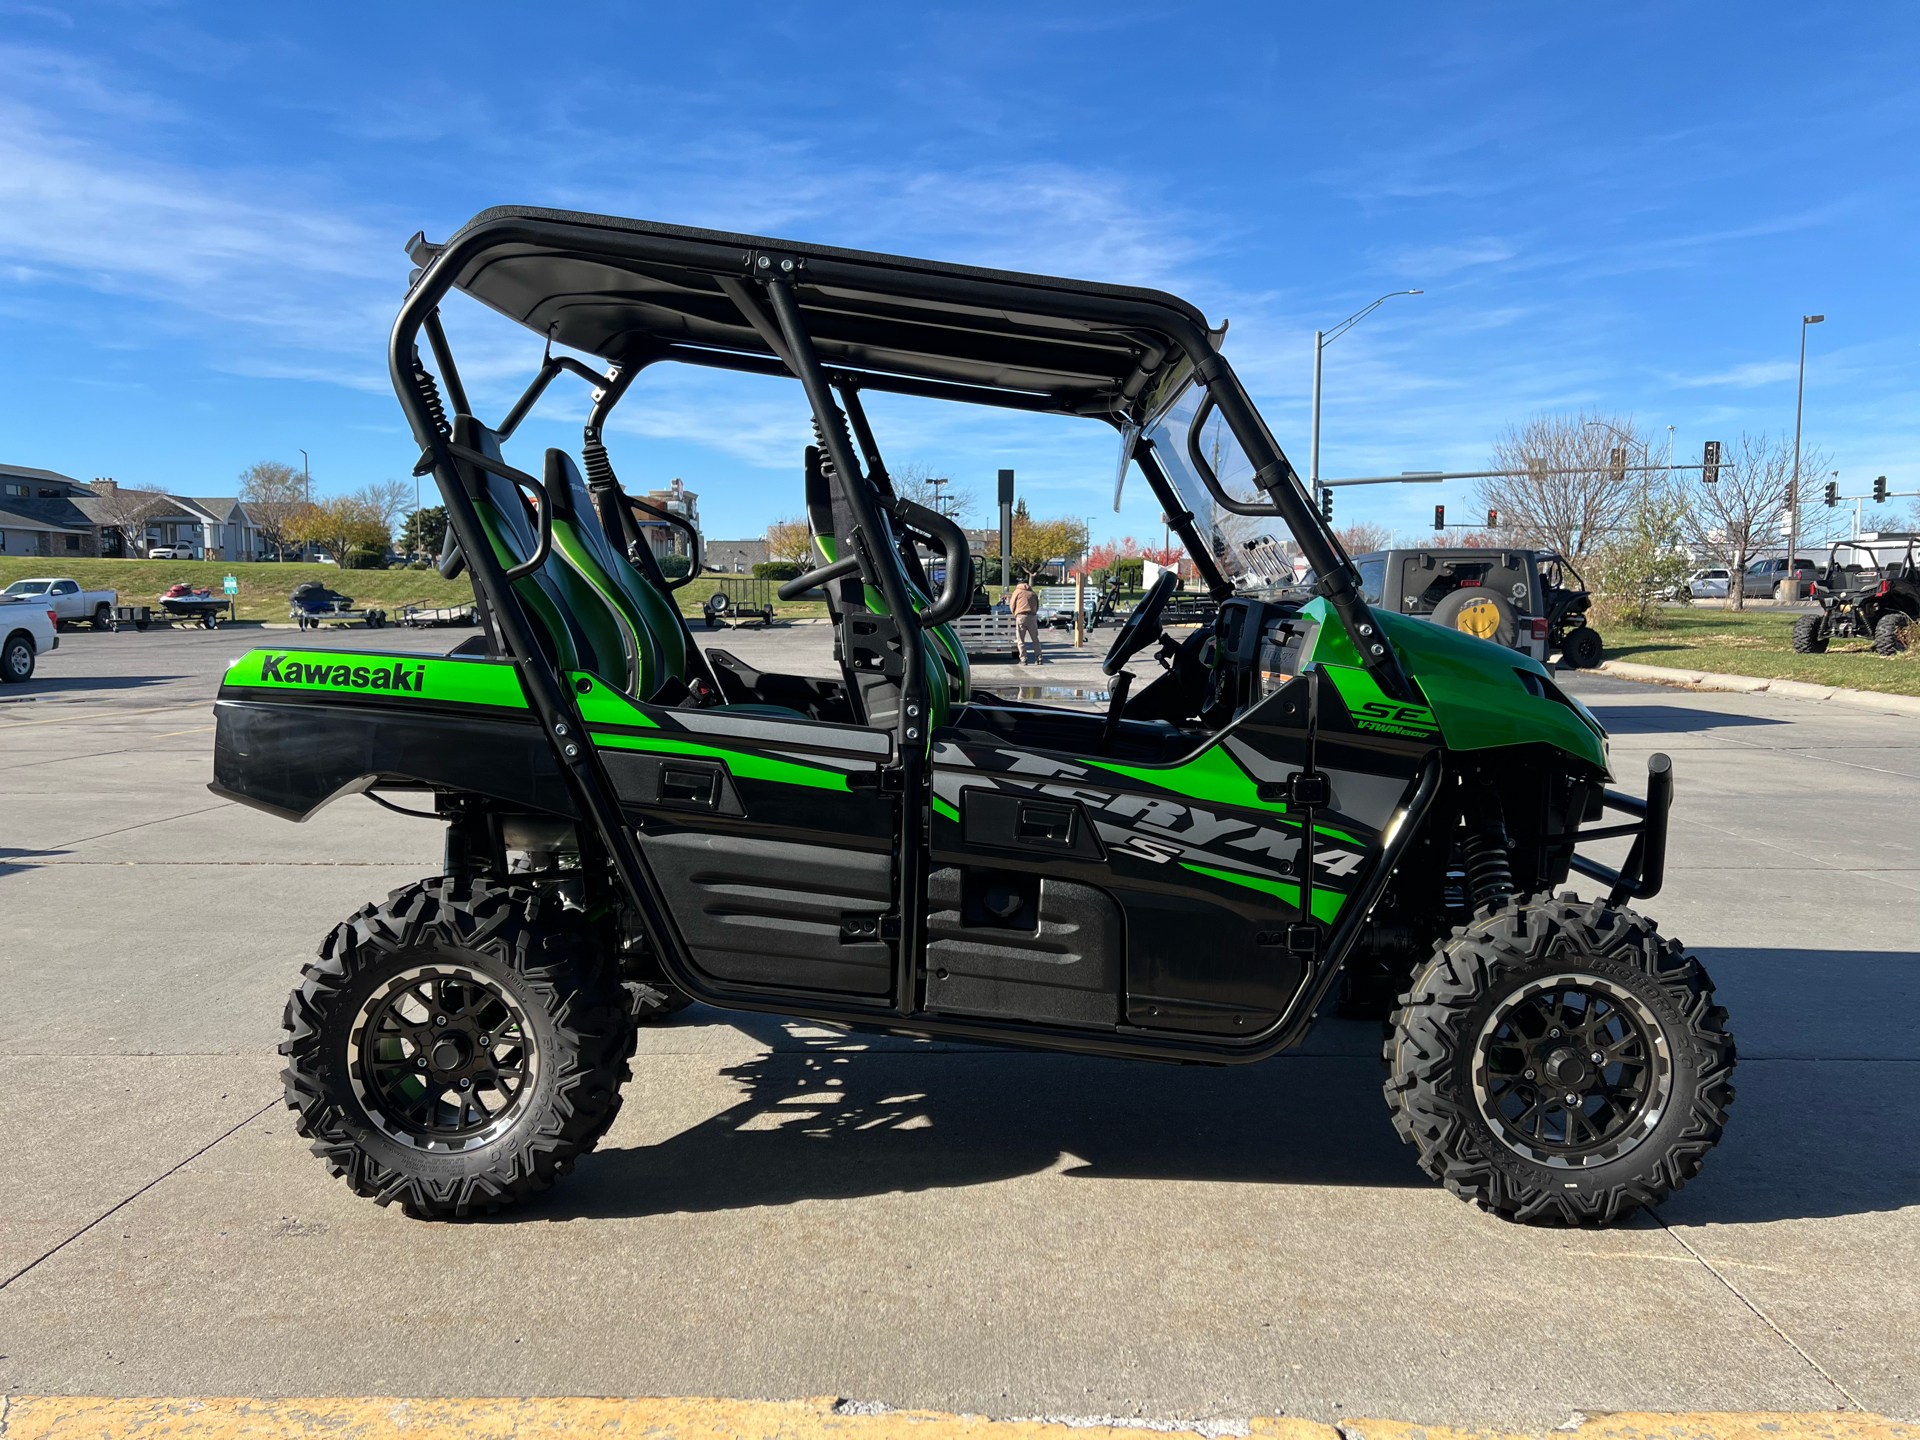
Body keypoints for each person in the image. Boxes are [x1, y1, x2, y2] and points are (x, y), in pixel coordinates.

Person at [1009, 578, 1044, 664]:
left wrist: (1015, 613)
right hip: (1032, 617)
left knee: (1021, 640)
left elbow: (1012, 604)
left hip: (1021, 616)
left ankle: (1023, 659)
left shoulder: (1017, 592)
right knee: (1035, 639)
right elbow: (1037, 605)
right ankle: (1039, 657)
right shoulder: (1032, 593)